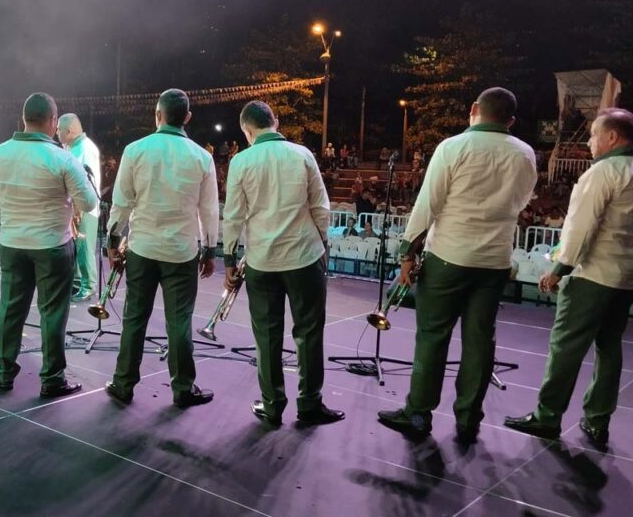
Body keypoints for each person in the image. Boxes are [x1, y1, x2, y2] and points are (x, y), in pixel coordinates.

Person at [378, 87, 537, 443]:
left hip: (449, 257)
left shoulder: (453, 147)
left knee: (432, 337)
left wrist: (408, 253)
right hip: (495, 260)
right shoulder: (525, 153)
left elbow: (428, 204)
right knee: (480, 341)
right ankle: (468, 419)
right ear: (511, 120)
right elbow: (522, 201)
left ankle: (418, 414)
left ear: (474, 109)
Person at [505, 108, 633, 446]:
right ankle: (597, 420)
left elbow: (580, 228)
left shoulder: (602, 172)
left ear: (612, 137)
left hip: (591, 275)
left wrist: (559, 269)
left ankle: (547, 416)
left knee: (565, 347)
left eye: (593, 135)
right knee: (609, 348)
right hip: (624, 278)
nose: (589, 142)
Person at [223, 100, 343, 426]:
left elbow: (233, 215)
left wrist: (229, 257)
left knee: (267, 335)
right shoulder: (302, 154)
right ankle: (310, 404)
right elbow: (320, 207)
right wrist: (323, 244)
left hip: (262, 261)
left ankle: (272, 405)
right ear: (275, 121)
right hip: (304, 256)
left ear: (246, 131)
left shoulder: (241, 161)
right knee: (310, 332)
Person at [103, 88, 219, 408]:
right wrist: (210, 250)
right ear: (187, 118)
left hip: (142, 248)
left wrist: (112, 241)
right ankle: (183, 388)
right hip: (181, 252)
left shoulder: (135, 150)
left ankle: (123, 383)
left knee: (134, 318)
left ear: (157, 115)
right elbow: (209, 210)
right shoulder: (202, 157)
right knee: (179, 322)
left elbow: (121, 202)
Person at [0, 92, 97, 397]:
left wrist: (16, 212)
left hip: (13, 243)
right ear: (53, 121)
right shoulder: (63, 158)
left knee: (10, 309)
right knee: (52, 313)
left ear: (24, 118)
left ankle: (4, 373)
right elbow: (88, 202)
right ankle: (52, 379)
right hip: (52, 244)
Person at [57, 113, 101, 302]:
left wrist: (78, 209)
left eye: (58, 129)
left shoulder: (85, 148)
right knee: (76, 248)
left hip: (84, 209)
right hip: (74, 208)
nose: (56, 132)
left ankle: (88, 286)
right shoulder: (73, 147)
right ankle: (76, 284)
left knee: (84, 248)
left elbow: (84, 182)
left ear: (68, 131)